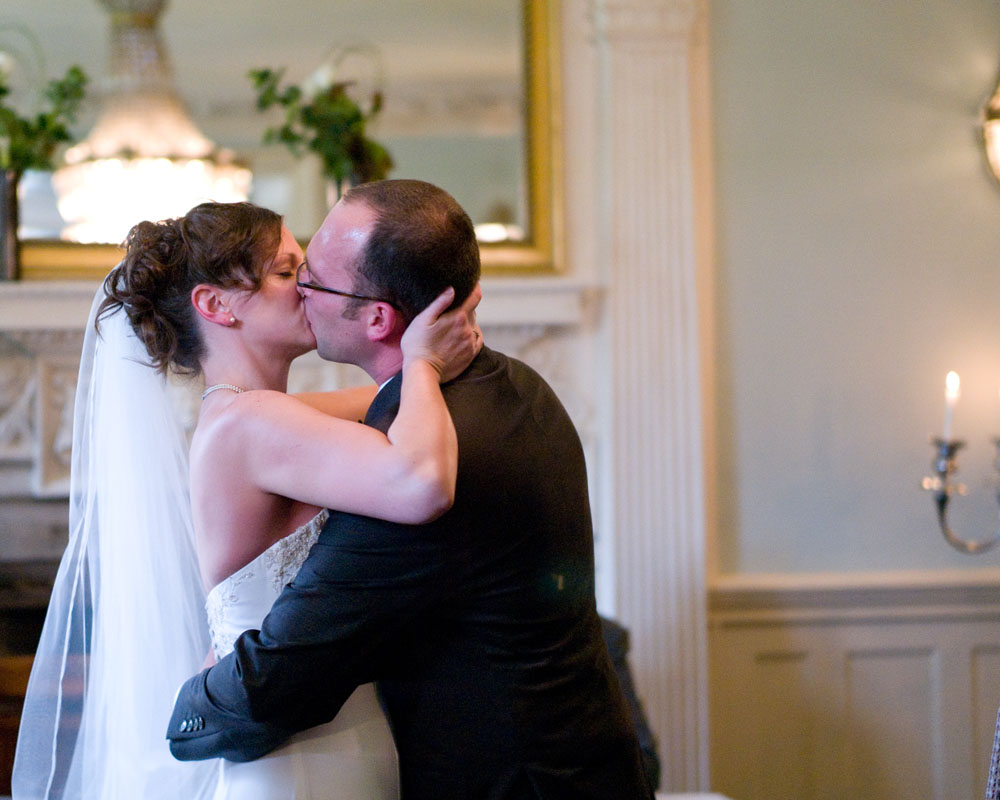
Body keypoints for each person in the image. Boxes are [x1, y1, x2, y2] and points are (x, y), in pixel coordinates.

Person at [168, 179, 654, 799]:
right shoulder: (514, 384)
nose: (300, 292)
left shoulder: (425, 466)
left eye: (310, 277)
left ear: (376, 317)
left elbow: (283, 680)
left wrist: (188, 712)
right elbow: (270, 424)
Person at [12, 201, 481, 800]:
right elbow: (423, 484)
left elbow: (374, 401)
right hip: (301, 758)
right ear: (216, 305)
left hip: (327, 741)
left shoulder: (243, 417)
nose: (311, 285)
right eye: (288, 272)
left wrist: (416, 362)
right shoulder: (248, 424)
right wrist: (424, 362)